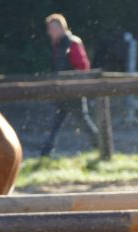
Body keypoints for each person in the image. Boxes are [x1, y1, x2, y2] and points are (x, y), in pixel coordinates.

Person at [41, 13, 99, 157]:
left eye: (51, 29)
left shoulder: (73, 43)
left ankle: (101, 146)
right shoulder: (58, 44)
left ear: (60, 28)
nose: (49, 32)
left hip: (74, 91)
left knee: (83, 121)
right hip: (61, 91)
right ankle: (46, 153)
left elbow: (83, 67)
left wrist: (74, 84)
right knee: (56, 123)